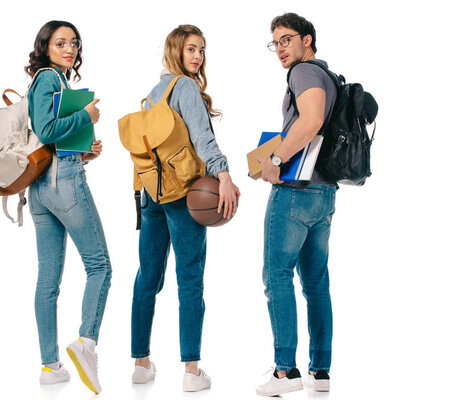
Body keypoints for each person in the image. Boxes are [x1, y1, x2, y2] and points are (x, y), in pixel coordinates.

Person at [130, 24, 240, 392]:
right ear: (175, 50)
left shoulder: (152, 94)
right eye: (191, 49)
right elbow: (202, 138)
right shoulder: (186, 88)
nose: (197, 57)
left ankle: (141, 364)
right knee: (190, 279)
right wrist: (223, 176)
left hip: (150, 195)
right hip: (183, 195)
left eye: (202, 51)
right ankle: (192, 371)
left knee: (148, 277)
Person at [24, 20, 111, 395]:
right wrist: (86, 117)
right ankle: (86, 343)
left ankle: (50, 366)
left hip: (41, 189)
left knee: (48, 280)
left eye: (74, 43)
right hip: (65, 186)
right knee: (100, 265)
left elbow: (52, 141)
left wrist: (84, 151)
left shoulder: (49, 82)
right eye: (61, 43)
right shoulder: (48, 78)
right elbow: (45, 130)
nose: (70, 49)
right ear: (46, 47)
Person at [255, 13, 338, 397]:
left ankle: (285, 372)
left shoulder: (303, 73)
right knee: (316, 284)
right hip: (323, 194)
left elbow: (311, 121)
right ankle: (320, 372)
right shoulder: (327, 74)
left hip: (295, 192)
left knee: (277, 277)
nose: (280, 49)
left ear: (307, 40)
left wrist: (274, 162)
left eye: (287, 40)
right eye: (276, 43)